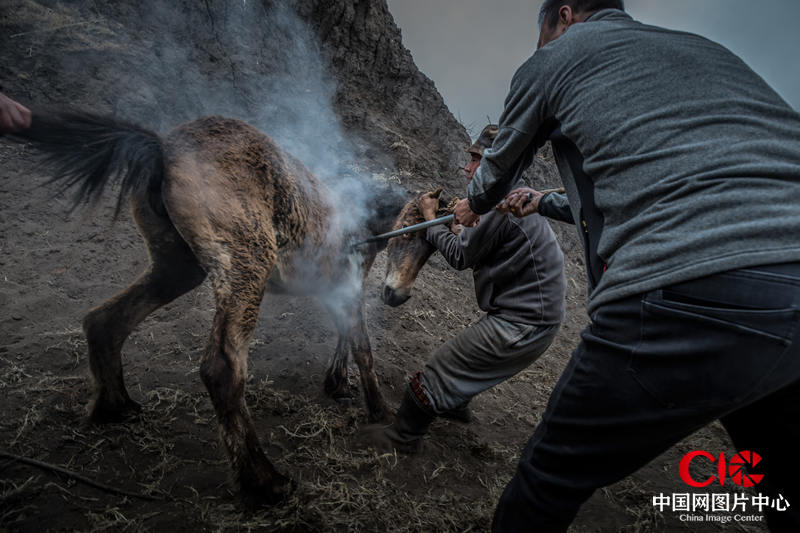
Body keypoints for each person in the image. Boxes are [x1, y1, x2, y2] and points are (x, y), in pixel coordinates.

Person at [452, 1, 800, 531]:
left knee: (547, 476)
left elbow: (496, 169)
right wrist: (543, 200)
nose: (542, 46)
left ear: (563, 16)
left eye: (542, 33)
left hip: (688, 286)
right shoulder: (702, 52)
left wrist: (470, 204)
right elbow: (659, 189)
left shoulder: (556, 59)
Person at [378, 124, 566, 454]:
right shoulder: (506, 197)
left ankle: (401, 439)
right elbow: (469, 236)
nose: (467, 167)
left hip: (523, 323)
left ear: (498, 164)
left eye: (477, 159)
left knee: (438, 370)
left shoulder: (500, 204)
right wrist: (454, 222)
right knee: (469, 356)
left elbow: (460, 255)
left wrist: (430, 217)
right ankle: (454, 404)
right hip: (535, 315)